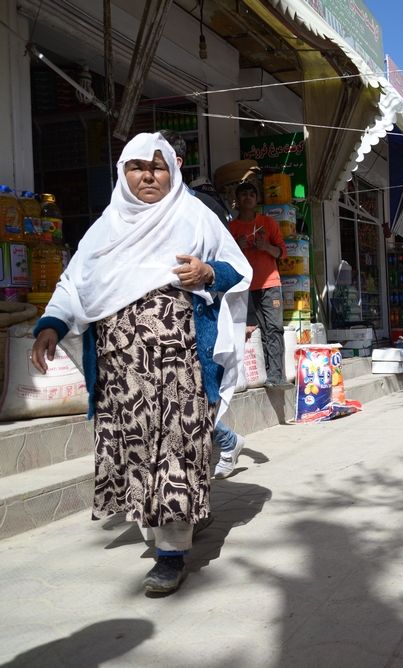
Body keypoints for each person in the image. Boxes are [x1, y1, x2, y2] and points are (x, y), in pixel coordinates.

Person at [31, 133, 252, 593]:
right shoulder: (105, 228)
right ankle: (176, 524)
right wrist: (51, 323)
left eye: (158, 167)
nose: (148, 176)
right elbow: (75, 284)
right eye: (137, 166)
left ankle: (170, 555)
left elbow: (236, 267)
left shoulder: (195, 216)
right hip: (120, 369)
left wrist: (209, 272)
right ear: (123, 173)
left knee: (177, 445)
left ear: (173, 172)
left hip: (180, 362)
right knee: (135, 449)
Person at [158, 129, 248, 479]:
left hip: (191, 333)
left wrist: (208, 271)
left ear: (176, 164)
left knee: (189, 415)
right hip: (140, 345)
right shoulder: (123, 216)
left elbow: (238, 269)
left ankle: (186, 513)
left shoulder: (202, 210)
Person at [229, 181, 290, 388]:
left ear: (256, 200)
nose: (248, 198)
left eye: (252, 195)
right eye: (243, 194)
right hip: (244, 287)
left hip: (270, 284)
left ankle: (275, 376)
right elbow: (224, 259)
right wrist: (236, 247)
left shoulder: (268, 223)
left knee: (274, 328)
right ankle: (258, 376)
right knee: (251, 332)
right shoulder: (231, 229)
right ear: (236, 200)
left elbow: (283, 252)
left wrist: (267, 247)